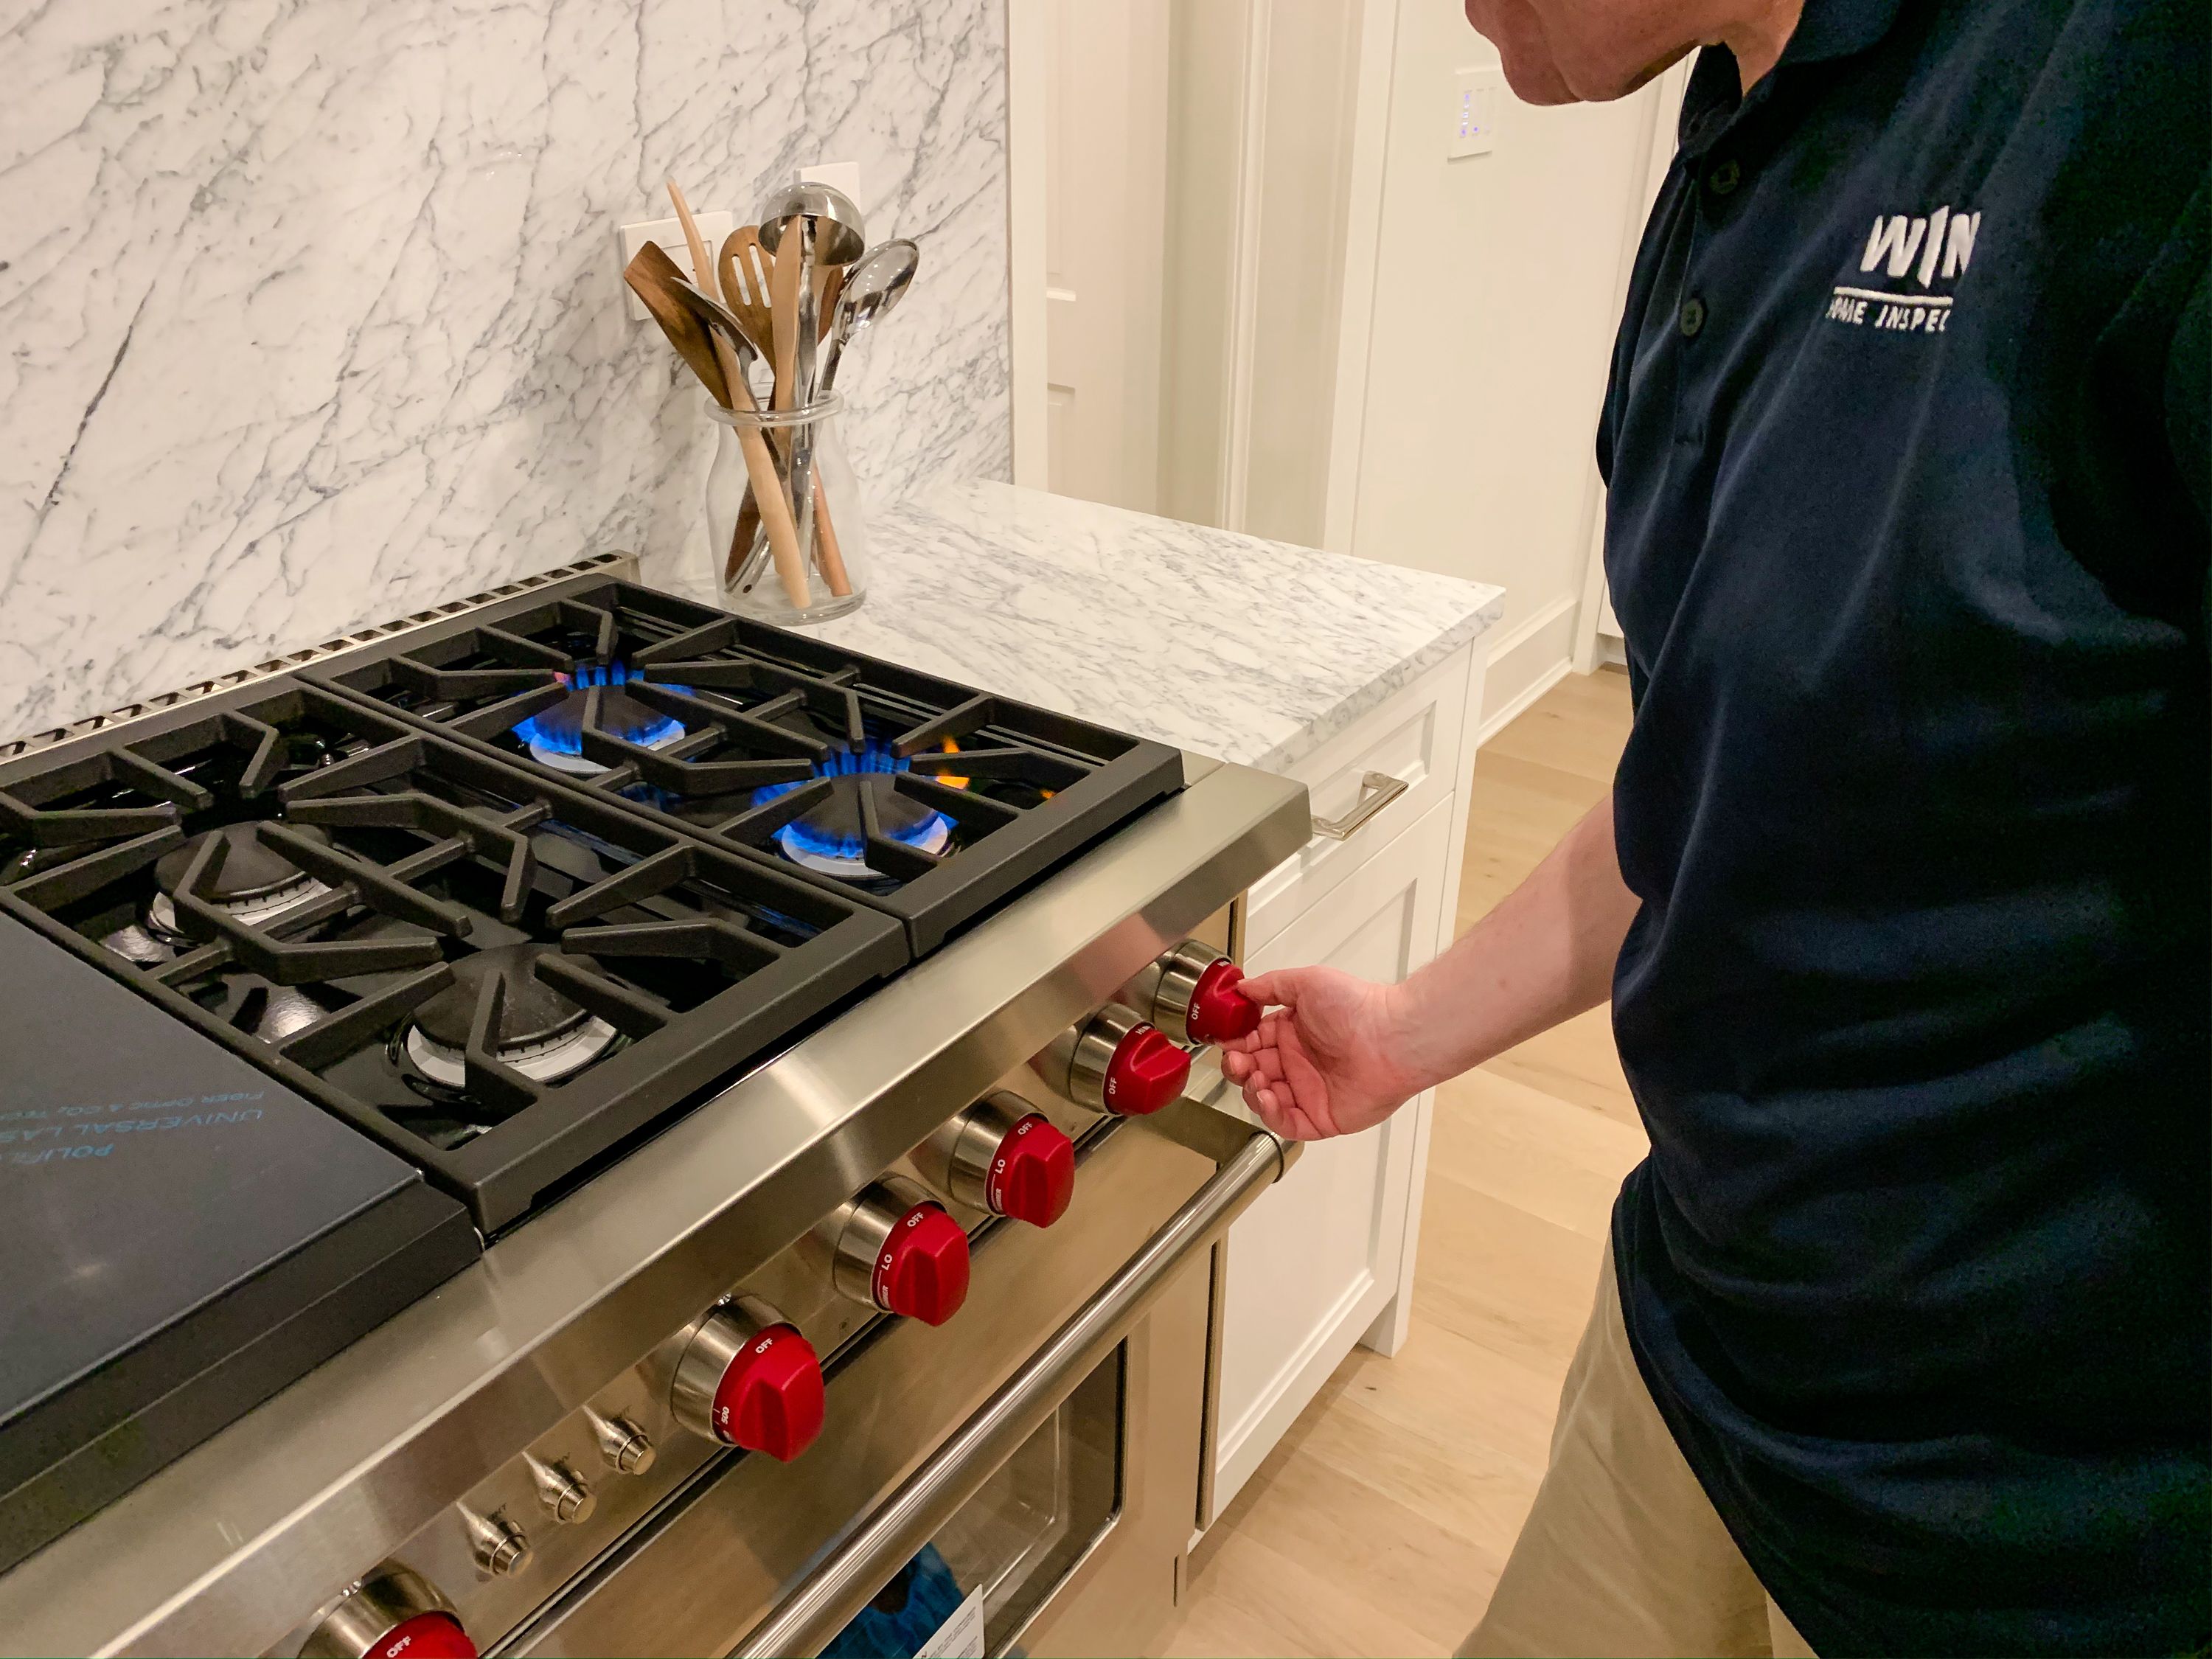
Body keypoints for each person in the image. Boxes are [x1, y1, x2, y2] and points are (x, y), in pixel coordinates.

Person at [1220, 0, 2210, 1652]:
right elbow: (1734, 766)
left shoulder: (2134, 85)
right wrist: (1406, 1031)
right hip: (1699, 1345)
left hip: (2045, 1539)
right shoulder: (1734, 137)